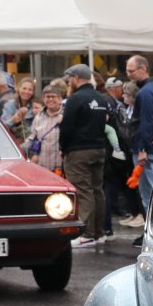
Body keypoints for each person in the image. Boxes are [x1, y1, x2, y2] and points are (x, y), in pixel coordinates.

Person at [58, 64, 110, 249]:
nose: (69, 82)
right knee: (97, 191)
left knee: (83, 191)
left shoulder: (75, 98)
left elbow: (67, 127)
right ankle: (99, 232)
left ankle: (87, 234)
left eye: (70, 78)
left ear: (76, 78)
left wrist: (63, 147)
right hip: (99, 148)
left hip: (79, 151)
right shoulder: (101, 98)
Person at [127, 54, 153, 230]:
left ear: (143, 69)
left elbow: (146, 123)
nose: (129, 74)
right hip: (152, 146)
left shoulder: (146, 92)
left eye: (131, 71)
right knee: (151, 191)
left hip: (147, 148)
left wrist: (142, 149)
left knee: (148, 194)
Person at [27, 82, 66, 173]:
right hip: (42, 166)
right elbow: (32, 138)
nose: (50, 99)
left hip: (61, 166)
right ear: (44, 99)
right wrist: (33, 154)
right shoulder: (38, 117)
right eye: (48, 97)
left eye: (53, 96)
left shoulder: (67, 115)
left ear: (60, 99)